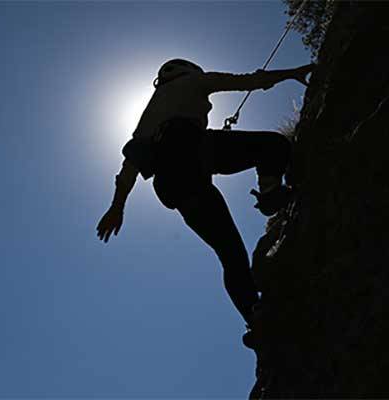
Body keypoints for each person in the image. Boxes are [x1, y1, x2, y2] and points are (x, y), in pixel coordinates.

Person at [95, 58, 313, 329]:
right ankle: (270, 192)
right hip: (198, 153)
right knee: (274, 145)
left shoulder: (147, 118)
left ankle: (253, 317)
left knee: (229, 252)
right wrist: (292, 72)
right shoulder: (194, 81)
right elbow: (248, 80)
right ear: (189, 70)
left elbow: (129, 168)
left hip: (173, 184)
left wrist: (117, 208)